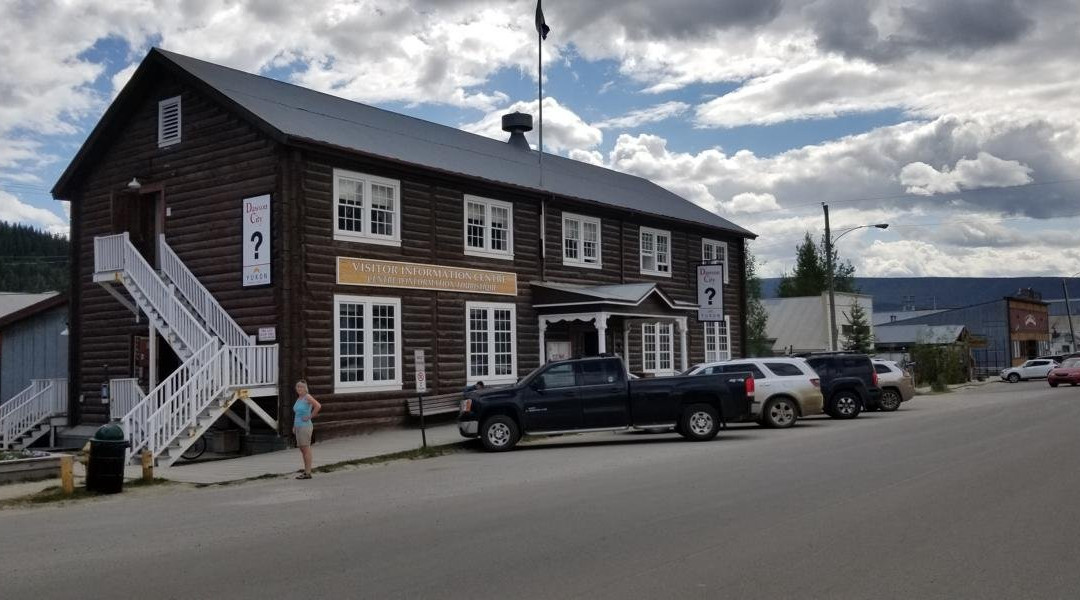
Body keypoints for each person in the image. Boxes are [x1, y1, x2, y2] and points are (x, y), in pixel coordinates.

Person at [293, 380, 321, 479]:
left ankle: (308, 473)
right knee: (302, 449)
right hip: (298, 426)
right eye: (298, 386)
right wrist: (294, 426)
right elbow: (297, 414)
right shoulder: (299, 398)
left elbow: (318, 406)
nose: (299, 388)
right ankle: (306, 471)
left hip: (305, 426)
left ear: (305, 388)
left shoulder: (307, 397)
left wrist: (310, 416)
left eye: (301, 387)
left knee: (306, 449)